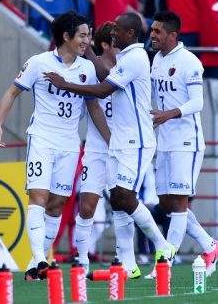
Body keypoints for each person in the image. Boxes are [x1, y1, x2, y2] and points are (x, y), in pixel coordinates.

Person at [43, 12, 176, 275]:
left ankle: (163, 246)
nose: (113, 34)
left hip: (135, 142)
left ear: (129, 33)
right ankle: (127, 264)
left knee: (125, 197)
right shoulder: (127, 58)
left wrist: (65, 84)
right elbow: (105, 74)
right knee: (118, 200)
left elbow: (103, 89)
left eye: (117, 30)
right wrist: (90, 53)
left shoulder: (136, 57)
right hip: (119, 143)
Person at [0, 11, 110, 281]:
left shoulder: (87, 68)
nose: (86, 41)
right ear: (66, 36)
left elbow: (93, 107)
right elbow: (12, 91)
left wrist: (110, 140)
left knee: (56, 205)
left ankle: (36, 265)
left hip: (69, 144)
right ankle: (41, 259)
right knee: (39, 198)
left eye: (89, 35)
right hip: (42, 139)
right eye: (82, 35)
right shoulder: (38, 63)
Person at [148, 11, 218, 278]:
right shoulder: (156, 59)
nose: (153, 35)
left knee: (179, 201)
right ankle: (210, 245)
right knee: (167, 203)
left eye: (158, 31)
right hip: (165, 141)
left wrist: (167, 114)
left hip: (186, 140)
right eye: (152, 30)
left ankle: (165, 262)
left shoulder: (189, 62)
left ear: (172, 35)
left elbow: (197, 103)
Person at [73, 21, 141, 278]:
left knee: (123, 204)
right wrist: (109, 139)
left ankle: (129, 261)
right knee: (87, 206)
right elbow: (94, 105)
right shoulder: (92, 70)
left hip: (123, 148)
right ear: (105, 45)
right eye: (115, 40)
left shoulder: (129, 67)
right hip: (98, 148)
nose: (120, 45)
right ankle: (81, 262)